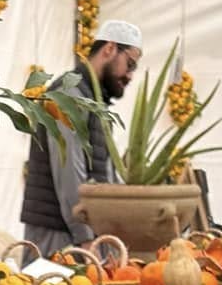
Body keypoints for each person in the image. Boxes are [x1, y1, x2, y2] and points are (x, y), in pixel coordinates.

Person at [20, 21, 140, 254]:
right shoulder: (68, 94)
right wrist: (84, 236)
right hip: (59, 236)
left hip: (81, 234)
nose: (131, 75)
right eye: (130, 64)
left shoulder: (94, 99)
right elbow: (68, 169)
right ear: (110, 49)